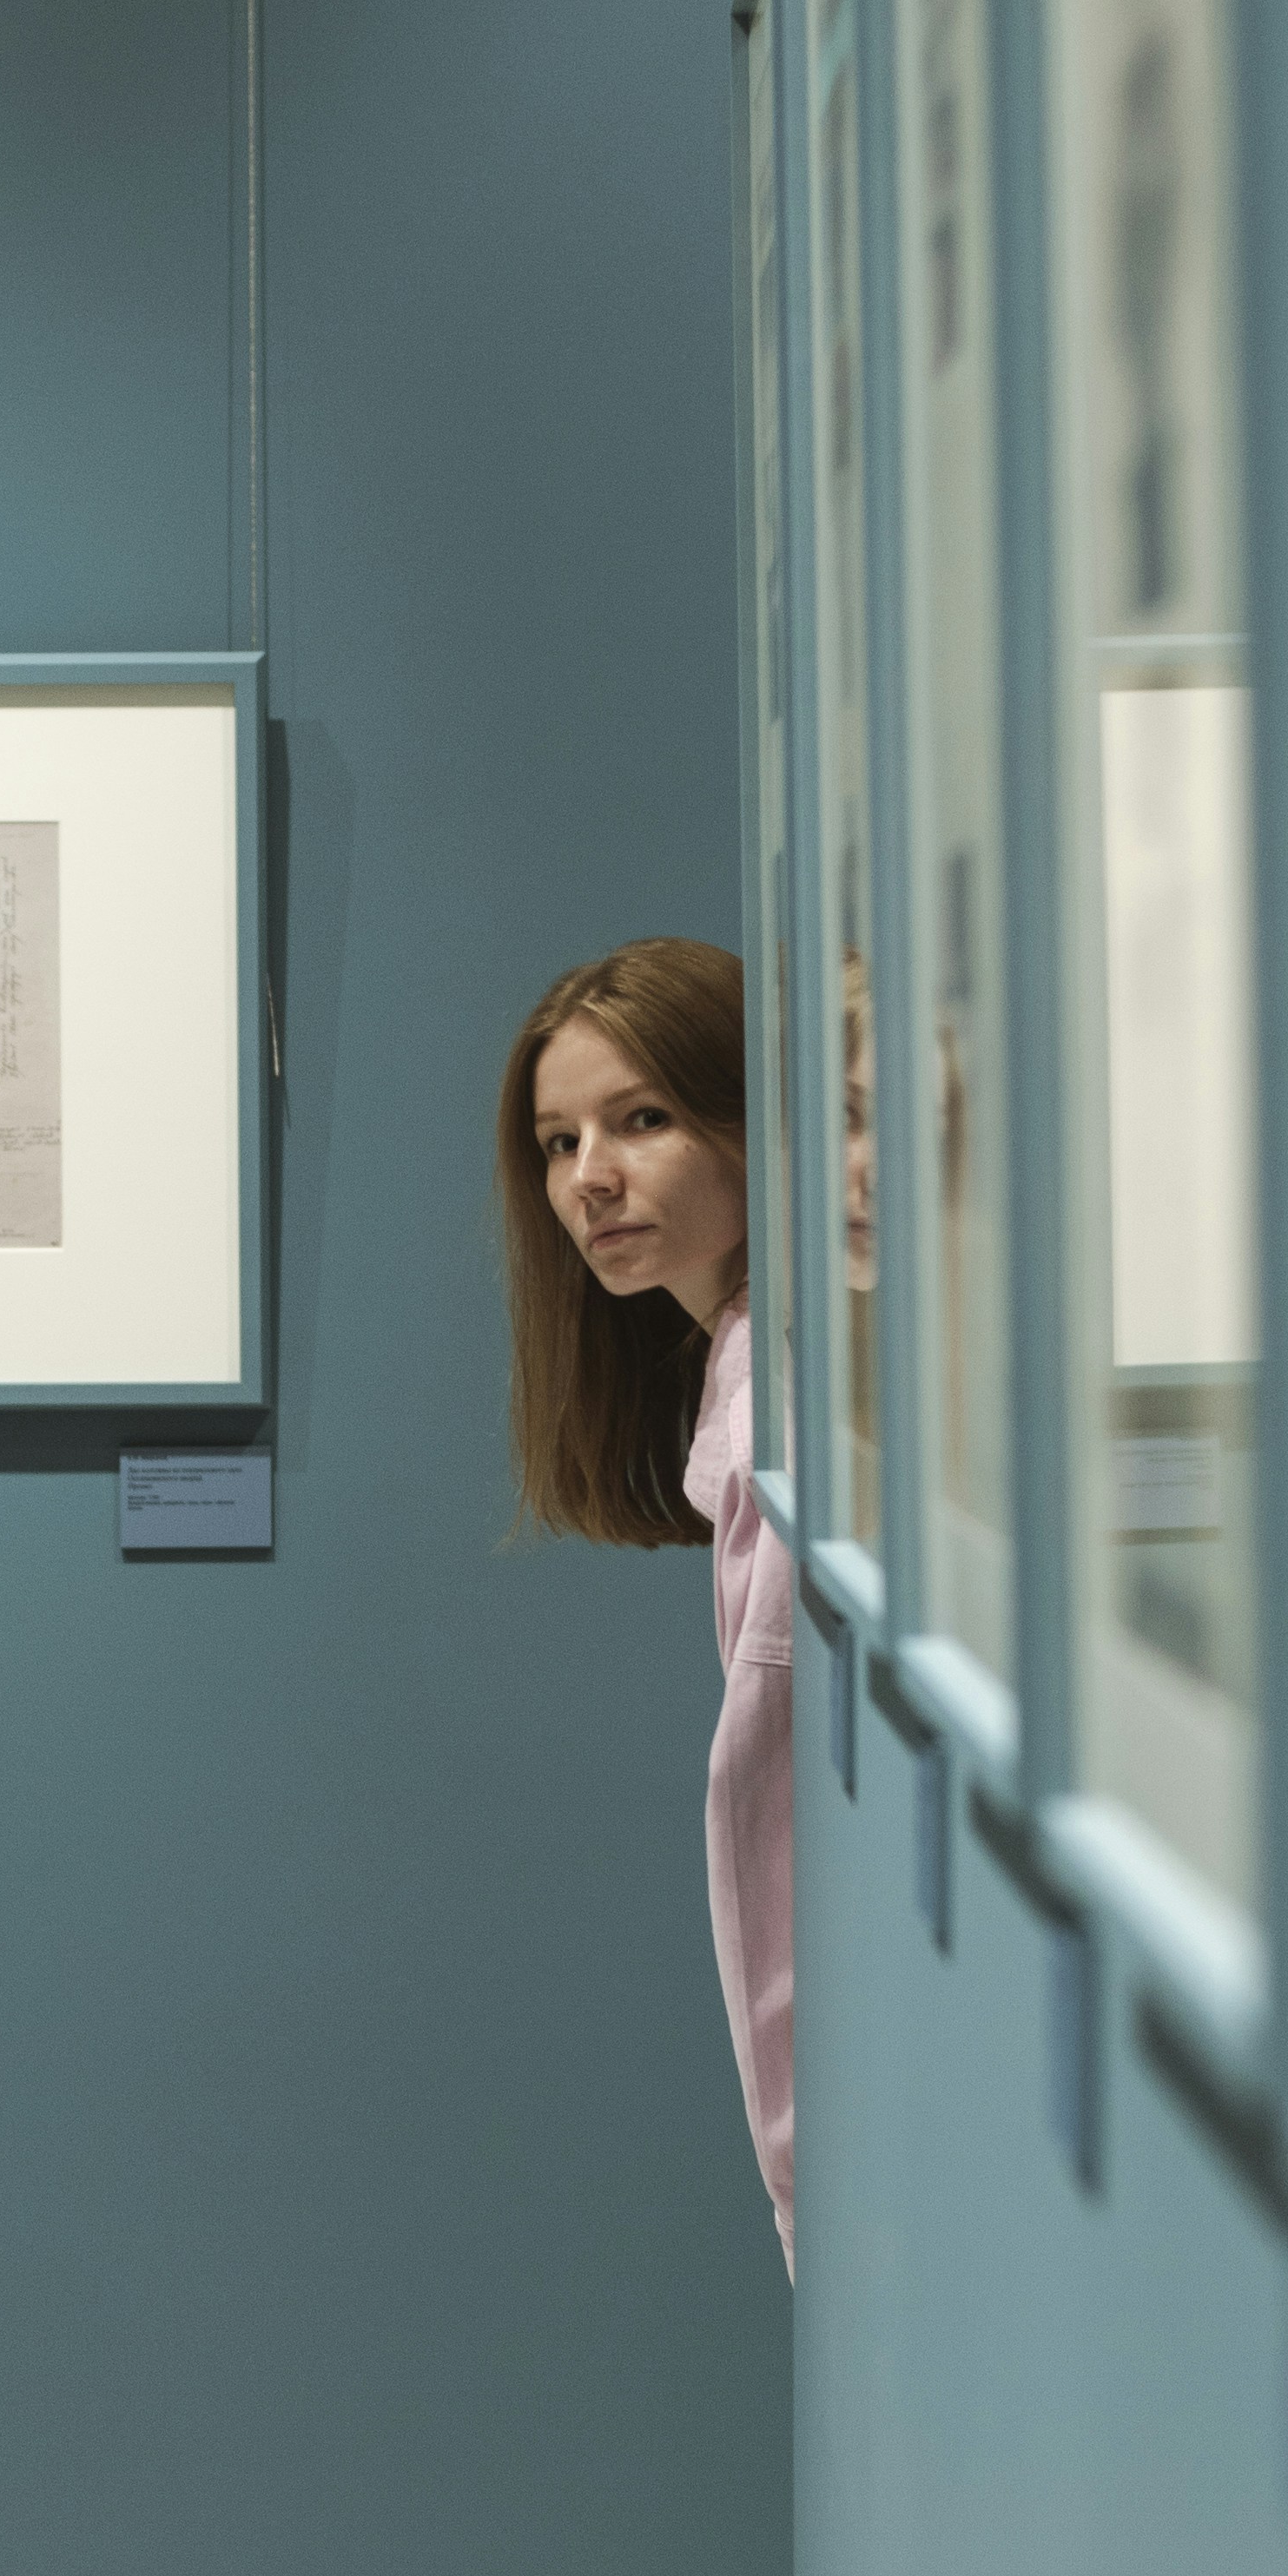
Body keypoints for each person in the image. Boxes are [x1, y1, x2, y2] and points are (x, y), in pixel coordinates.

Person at [495, 939, 793, 2267]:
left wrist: (800, 2183)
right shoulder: (746, 1374)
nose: (588, 1180)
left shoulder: (781, 1396)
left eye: (644, 1119)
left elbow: (766, 1811)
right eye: (559, 1142)